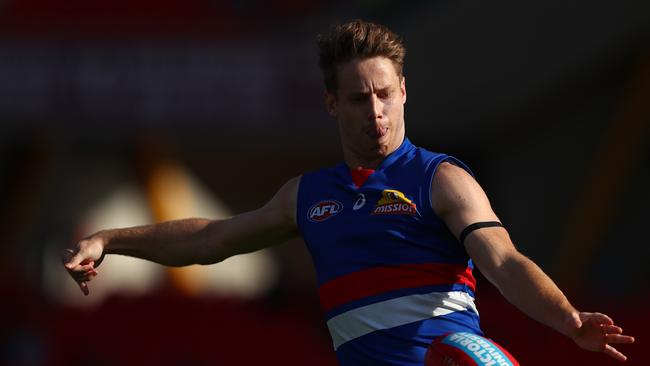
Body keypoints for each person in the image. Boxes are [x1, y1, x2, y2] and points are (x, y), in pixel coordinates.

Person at [63, 20, 634, 365]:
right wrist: (109, 239)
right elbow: (211, 239)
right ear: (332, 104)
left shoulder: (441, 179)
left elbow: (504, 262)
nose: (376, 112)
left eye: (385, 94)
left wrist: (568, 319)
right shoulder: (307, 196)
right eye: (359, 99)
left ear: (404, 91)